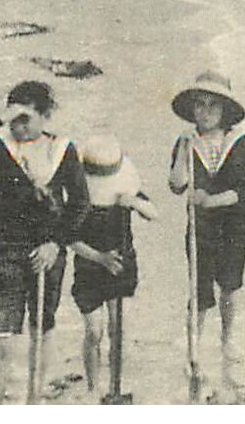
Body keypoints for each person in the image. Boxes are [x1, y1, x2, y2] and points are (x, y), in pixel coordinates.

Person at [0, 81, 90, 404]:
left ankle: (33, 401)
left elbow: (80, 203)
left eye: (26, 118)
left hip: (49, 251)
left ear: (45, 117)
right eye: (15, 119)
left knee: (42, 329)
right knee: (5, 337)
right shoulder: (1, 148)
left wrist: (56, 244)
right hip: (9, 251)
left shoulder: (62, 149)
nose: (20, 126)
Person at [169, 71, 245, 387]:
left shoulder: (239, 143)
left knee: (229, 286)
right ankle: (194, 349)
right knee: (199, 290)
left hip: (232, 226)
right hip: (200, 231)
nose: (204, 112)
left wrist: (208, 199)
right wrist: (182, 149)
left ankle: (228, 339)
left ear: (224, 111)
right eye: (198, 105)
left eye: (211, 106)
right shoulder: (186, 143)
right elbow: (177, 184)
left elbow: (240, 192)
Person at [69, 137, 156, 396]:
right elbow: (69, 238)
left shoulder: (125, 190)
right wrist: (99, 258)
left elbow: (153, 213)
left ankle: (114, 387)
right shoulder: (79, 199)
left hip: (121, 263)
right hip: (89, 267)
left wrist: (135, 203)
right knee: (94, 331)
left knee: (117, 331)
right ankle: (93, 388)